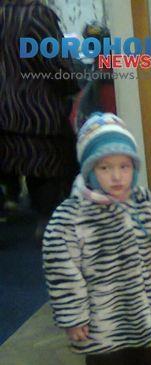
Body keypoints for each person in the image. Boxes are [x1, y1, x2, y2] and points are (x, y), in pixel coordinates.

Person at [42, 113, 151, 365]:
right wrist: (74, 317)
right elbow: (62, 271)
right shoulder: (70, 218)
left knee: (149, 351)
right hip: (102, 316)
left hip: (143, 305)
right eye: (105, 167)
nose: (117, 176)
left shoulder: (146, 204)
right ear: (90, 170)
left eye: (124, 166)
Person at [1, 0, 80, 239]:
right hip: (37, 112)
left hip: (5, 111)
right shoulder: (36, 15)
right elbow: (56, 63)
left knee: (12, 162)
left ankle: (11, 200)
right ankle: (49, 227)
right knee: (48, 169)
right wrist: (73, 88)